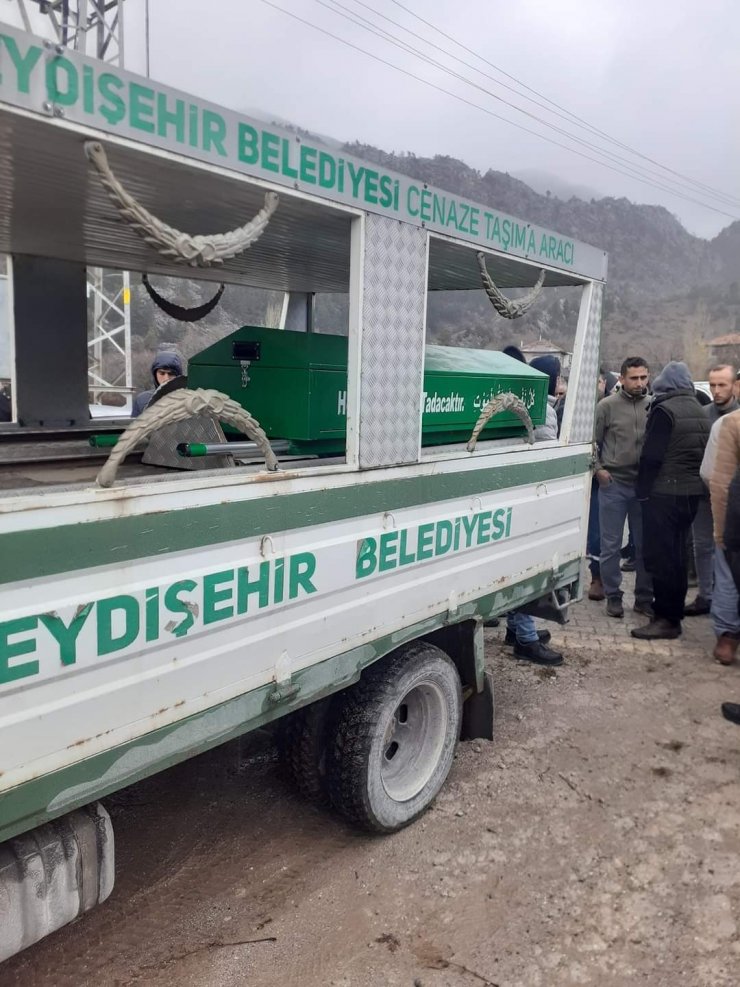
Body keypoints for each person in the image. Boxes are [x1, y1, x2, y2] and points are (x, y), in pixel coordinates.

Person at [632, 362, 710, 640]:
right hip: (691, 494)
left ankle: (665, 618)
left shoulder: (664, 410)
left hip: (664, 494)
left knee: (661, 558)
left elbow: (651, 457)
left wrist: (641, 491)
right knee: (678, 557)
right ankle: (673, 614)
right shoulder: (700, 409)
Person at [503, 353, 564, 666]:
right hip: (533, 498)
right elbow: (544, 461)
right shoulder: (545, 411)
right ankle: (525, 639)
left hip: (515, 495)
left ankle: (516, 630)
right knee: (528, 568)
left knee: (517, 566)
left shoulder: (519, 402)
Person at [593, 357, 653, 619]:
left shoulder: (654, 405)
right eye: (634, 378)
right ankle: (614, 596)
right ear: (622, 379)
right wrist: (599, 471)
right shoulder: (606, 406)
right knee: (611, 546)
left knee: (644, 545)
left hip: (643, 487)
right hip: (614, 484)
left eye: (643, 377)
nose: (639, 383)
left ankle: (643, 598)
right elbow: (591, 442)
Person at [685, 365, 738, 616]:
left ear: (734, 385)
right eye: (713, 385)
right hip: (704, 493)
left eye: (722, 385)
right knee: (702, 545)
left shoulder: (737, 418)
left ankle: (727, 601)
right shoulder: (702, 414)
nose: (716, 391)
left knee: (729, 549)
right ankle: (705, 595)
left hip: (732, 497)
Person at [701, 411, 740, 664]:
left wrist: (720, 527)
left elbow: (719, 478)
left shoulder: (733, 422)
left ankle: (727, 638)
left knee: (727, 576)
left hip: (736, 519)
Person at [132, 350, 184, 417]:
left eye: (171, 374)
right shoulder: (142, 400)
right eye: (162, 373)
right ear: (155, 374)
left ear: (178, 375)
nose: (166, 378)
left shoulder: (187, 401)